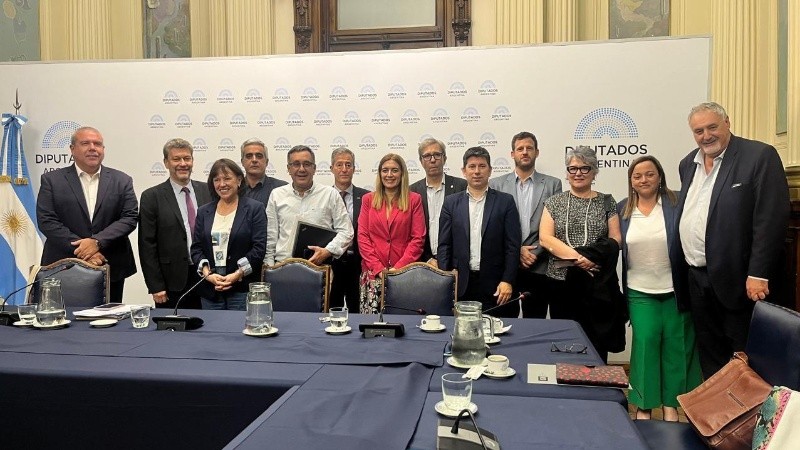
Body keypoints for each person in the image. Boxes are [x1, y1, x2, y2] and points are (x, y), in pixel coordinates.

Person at [676, 102, 790, 378]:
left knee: (746, 361)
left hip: (740, 282)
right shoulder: (687, 163)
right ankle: (716, 420)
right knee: (710, 356)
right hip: (697, 280)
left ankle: (749, 421)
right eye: (698, 131)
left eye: (712, 127)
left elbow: (770, 219)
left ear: (727, 122)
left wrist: (758, 273)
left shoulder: (759, 155)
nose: (706, 136)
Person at [618, 155, 702, 421]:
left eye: (650, 174)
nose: (644, 180)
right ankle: (643, 406)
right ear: (631, 181)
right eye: (637, 175)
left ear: (660, 176)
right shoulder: (622, 210)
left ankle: (670, 406)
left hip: (675, 291)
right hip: (640, 292)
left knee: (677, 348)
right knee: (645, 346)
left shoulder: (678, 203)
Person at [540, 146, 625, 362]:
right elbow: (546, 239)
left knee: (597, 342)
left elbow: (616, 239)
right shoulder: (554, 202)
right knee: (566, 340)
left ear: (594, 171)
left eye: (585, 168)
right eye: (573, 168)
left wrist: (591, 259)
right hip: (561, 282)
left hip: (597, 283)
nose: (578, 173)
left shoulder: (607, 201)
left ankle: (598, 390)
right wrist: (580, 260)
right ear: (567, 173)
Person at [37, 126, 138, 303]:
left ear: (103, 150)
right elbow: (47, 221)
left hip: (110, 263)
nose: (93, 148)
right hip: (64, 266)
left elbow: (129, 218)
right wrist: (85, 251)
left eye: (97, 144)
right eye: (85, 143)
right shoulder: (52, 180)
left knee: (109, 323)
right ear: (72, 149)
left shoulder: (122, 180)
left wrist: (97, 242)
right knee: (64, 322)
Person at [438, 147, 521, 318]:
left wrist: (507, 280)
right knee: (464, 335)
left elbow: (512, 246)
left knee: (498, 334)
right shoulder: (451, 203)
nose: (477, 171)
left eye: (482, 166)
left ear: (490, 170)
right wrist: (447, 280)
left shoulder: (505, 202)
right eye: (472, 166)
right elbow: (444, 245)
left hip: (496, 287)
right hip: (462, 285)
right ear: (464, 171)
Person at [489, 131, 562, 318]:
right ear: (512, 154)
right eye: (520, 149)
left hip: (538, 264)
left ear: (537, 152)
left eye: (529, 148)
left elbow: (555, 226)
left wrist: (532, 252)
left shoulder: (553, 184)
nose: (525, 152)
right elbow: (493, 228)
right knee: (503, 322)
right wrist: (517, 250)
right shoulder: (495, 184)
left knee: (535, 322)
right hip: (505, 267)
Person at [139, 138, 212, 310]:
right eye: (176, 159)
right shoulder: (151, 197)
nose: (183, 164)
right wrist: (156, 286)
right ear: (166, 162)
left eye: (187, 158)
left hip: (207, 277)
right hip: (171, 282)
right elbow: (147, 245)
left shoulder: (208, 191)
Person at [190, 159, 266, 310]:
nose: (222, 184)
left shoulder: (254, 209)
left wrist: (237, 274)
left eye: (227, 178)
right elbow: (196, 248)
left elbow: (259, 248)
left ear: (239, 180)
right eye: (217, 179)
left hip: (241, 287)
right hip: (210, 288)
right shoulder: (204, 212)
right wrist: (207, 274)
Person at [265, 145, 353, 266]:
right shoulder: (276, 195)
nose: (302, 169)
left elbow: (346, 231)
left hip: (319, 267)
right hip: (282, 266)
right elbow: (270, 237)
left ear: (314, 168)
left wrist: (327, 251)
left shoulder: (330, 194)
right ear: (288, 168)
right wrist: (270, 268)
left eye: (307, 164)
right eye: (296, 164)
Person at [357, 153, 426, 310]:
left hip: (404, 274)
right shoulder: (368, 199)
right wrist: (379, 269)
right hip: (373, 274)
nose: (389, 175)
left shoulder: (414, 199)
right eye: (385, 170)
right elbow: (363, 237)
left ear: (402, 173)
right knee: (372, 327)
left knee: (402, 322)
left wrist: (397, 269)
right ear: (380, 173)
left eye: (394, 170)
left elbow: (418, 238)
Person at [409, 138, 467, 264]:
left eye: (437, 155)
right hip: (423, 262)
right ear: (421, 161)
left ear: (444, 158)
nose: (433, 160)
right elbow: (409, 231)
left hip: (456, 262)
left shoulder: (461, 186)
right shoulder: (412, 191)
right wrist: (427, 258)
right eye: (427, 156)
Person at [329, 147, 370, 312]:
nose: (344, 169)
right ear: (331, 168)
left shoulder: (368, 197)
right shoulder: (324, 196)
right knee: (331, 309)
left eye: (348, 165)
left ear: (354, 168)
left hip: (358, 262)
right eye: (339, 165)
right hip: (332, 262)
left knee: (358, 309)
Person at [240, 138, 287, 206]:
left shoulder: (282, 188)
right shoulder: (235, 189)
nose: (254, 160)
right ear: (242, 162)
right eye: (249, 156)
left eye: (259, 156)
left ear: (266, 162)